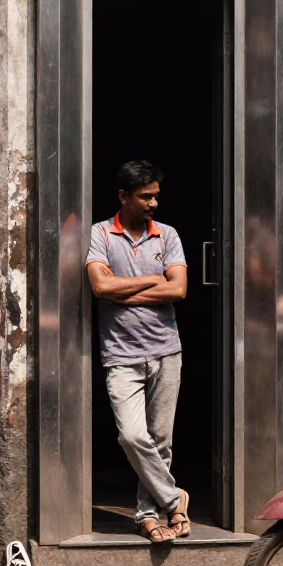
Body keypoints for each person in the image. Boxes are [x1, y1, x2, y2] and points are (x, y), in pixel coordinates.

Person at [86, 160, 189, 543]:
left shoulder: (168, 236)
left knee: (161, 440)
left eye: (156, 196)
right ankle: (174, 498)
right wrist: (151, 279)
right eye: (146, 196)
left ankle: (149, 516)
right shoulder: (101, 234)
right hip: (121, 354)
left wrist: (123, 288)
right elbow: (99, 287)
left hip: (166, 350)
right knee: (132, 436)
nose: (153, 203)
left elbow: (178, 290)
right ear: (124, 196)